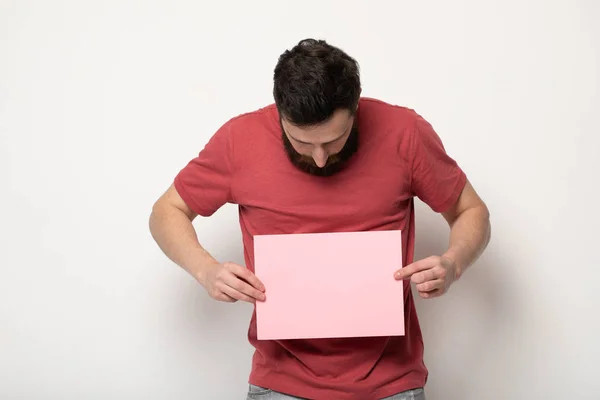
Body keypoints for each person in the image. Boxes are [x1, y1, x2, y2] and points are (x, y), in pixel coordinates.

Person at [149, 38, 491, 400]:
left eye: (334, 140)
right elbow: (166, 212)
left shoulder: (405, 133)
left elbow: (472, 211)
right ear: (280, 114)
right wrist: (206, 270)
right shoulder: (239, 139)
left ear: (355, 110)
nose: (321, 158)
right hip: (279, 383)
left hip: (391, 385)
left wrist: (452, 264)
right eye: (302, 142)